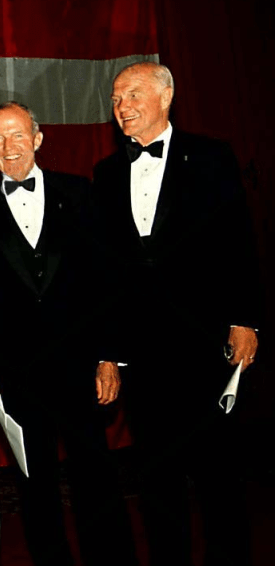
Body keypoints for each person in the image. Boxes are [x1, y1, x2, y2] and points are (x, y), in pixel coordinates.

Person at [94, 61, 261, 566]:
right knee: (156, 478)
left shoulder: (211, 156)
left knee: (217, 474)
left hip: (205, 343)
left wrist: (244, 320)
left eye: (133, 94)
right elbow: (106, 271)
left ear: (166, 96)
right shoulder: (105, 173)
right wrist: (108, 353)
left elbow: (238, 241)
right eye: (116, 98)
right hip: (144, 355)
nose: (122, 106)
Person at [0, 102, 138, 566]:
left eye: (17, 135)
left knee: (96, 478)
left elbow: (106, 280)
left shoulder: (79, 192)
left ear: (38, 139)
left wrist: (109, 356)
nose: (9, 146)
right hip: (17, 371)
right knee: (35, 486)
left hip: (80, 364)